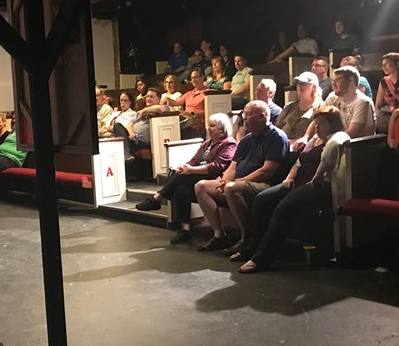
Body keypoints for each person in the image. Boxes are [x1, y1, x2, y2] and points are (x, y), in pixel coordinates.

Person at [233, 107, 350, 273]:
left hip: (314, 186)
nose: (317, 127)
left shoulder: (334, 139)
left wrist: (317, 176)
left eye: (322, 124)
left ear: (333, 124)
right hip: (296, 181)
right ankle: (248, 248)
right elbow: (298, 163)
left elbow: (331, 152)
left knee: (282, 209)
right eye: (316, 123)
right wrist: (289, 178)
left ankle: (260, 259)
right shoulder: (314, 140)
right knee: (261, 200)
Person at [193, 101, 289, 253]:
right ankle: (219, 235)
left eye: (249, 114)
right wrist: (224, 181)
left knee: (232, 188)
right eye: (244, 113)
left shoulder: (276, 137)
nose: (244, 118)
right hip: (239, 182)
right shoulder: (246, 140)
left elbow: (267, 171)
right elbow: (233, 166)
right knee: (201, 186)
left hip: (265, 184)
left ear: (262, 116)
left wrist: (236, 182)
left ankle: (245, 239)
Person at [135, 113, 237, 244]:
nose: (208, 128)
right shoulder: (207, 144)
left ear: (222, 129)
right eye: (208, 125)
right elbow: (194, 160)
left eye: (212, 126)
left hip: (215, 179)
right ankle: (185, 229)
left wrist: (191, 170)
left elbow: (217, 167)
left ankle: (157, 199)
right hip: (196, 177)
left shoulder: (229, 144)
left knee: (182, 177)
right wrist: (185, 167)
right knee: (182, 188)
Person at [301, 65, 375, 141]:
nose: (333, 84)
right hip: (337, 143)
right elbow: (318, 119)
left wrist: (326, 142)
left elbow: (352, 132)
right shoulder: (333, 97)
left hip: (357, 147)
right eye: (333, 81)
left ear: (351, 81)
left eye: (338, 80)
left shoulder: (362, 102)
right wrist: (306, 137)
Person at [114, 87, 169, 155]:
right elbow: (129, 124)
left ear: (158, 99)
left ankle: (126, 154)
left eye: (151, 97)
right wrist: (131, 133)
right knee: (117, 126)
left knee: (117, 145)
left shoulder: (163, 108)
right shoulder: (140, 112)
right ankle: (126, 154)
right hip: (134, 138)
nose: (148, 99)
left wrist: (145, 110)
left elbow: (161, 109)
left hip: (143, 141)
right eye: (147, 96)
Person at [275, 71, 323, 146]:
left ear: (313, 87)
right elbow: (277, 128)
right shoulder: (290, 106)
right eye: (298, 83)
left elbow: (319, 133)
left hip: (303, 147)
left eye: (303, 84)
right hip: (282, 145)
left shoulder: (320, 107)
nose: (300, 86)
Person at [374, 52, 399, 134]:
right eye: (382, 65)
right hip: (388, 112)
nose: (383, 67)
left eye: (387, 64)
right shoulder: (383, 81)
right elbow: (378, 104)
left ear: (397, 64)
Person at [171, 70, 207, 138]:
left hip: (197, 119)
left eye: (196, 77)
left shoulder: (208, 93)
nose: (193, 80)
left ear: (202, 78)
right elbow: (176, 103)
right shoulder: (189, 93)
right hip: (185, 117)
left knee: (178, 122)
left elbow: (208, 111)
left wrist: (191, 114)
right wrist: (166, 99)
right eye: (192, 78)